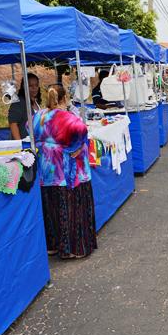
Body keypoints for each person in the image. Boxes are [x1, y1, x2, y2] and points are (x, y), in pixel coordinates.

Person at [34, 84, 97, 259]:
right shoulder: (66, 117)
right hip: (66, 169)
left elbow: (29, 128)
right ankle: (74, 248)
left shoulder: (39, 116)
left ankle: (53, 245)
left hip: (47, 169)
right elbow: (82, 130)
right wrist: (76, 147)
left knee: (52, 206)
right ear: (64, 99)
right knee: (71, 207)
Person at [8, 73, 41, 140]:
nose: (34, 88)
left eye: (36, 85)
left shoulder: (36, 102)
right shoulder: (19, 102)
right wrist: (20, 145)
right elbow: (13, 123)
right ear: (24, 86)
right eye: (31, 86)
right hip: (24, 145)